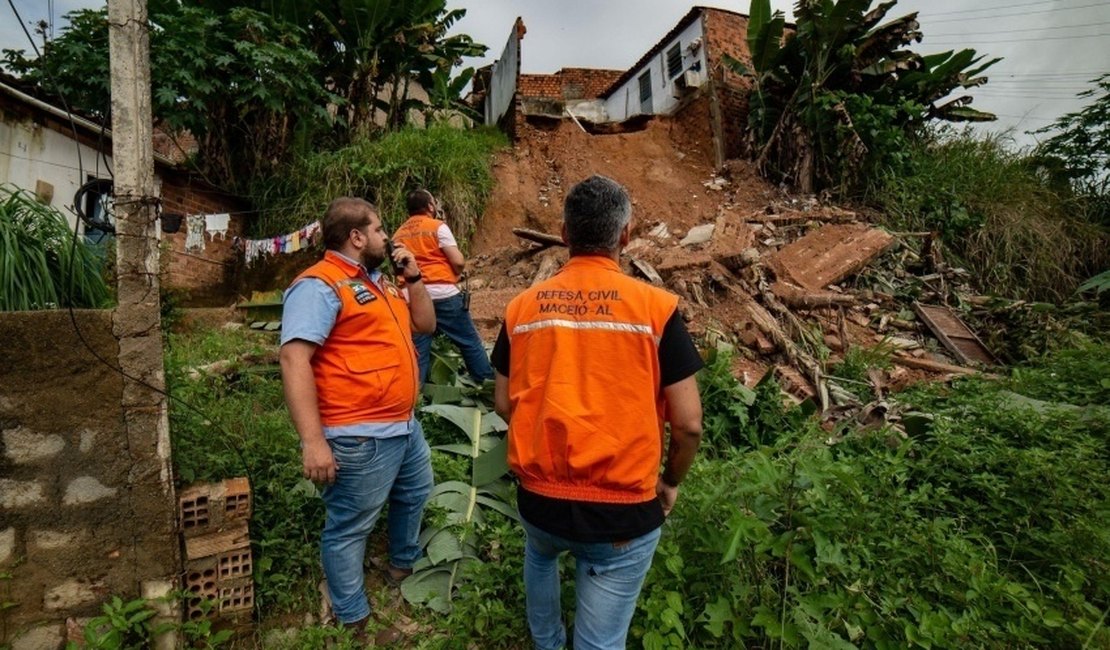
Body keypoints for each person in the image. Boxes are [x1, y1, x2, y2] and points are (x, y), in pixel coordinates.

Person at [491, 175, 704, 650]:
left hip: (539, 501)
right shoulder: (656, 309)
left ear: (564, 235)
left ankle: (546, 642)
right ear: (625, 234)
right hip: (622, 513)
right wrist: (669, 483)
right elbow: (688, 424)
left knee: (541, 555)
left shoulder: (521, 309)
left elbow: (504, 402)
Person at [279, 197, 436, 639]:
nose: (388, 238)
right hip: (359, 434)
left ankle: (401, 565)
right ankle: (354, 616)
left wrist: (414, 277)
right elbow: (293, 358)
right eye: (381, 230)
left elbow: (425, 324)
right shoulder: (320, 285)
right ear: (357, 237)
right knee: (350, 526)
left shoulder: (382, 284)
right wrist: (313, 441)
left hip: (403, 426)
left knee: (416, 491)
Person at [393, 188, 494, 384]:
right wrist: (456, 273)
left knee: (418, 351)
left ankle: (416, 396)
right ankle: (486, 383)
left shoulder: (398, 234)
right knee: (469, 342)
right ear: (430, 206)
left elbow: (398, 270)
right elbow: (457, 261)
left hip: (412, 297)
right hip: (442, 293)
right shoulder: (437, 226)